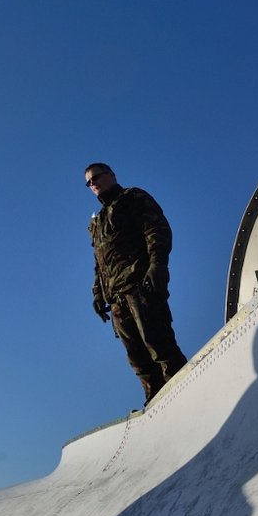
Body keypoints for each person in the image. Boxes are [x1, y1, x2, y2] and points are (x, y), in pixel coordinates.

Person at [85, 163, 188, 405]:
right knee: (138, 359)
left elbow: (156, 229)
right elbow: (99, 261)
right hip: (117, 299)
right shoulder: (97, 222)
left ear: (111, 175)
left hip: (141, 287)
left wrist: (157, 265)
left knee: (159, 344)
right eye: (88, 183)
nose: (93, 184)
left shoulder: (132, 197)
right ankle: (156, 404)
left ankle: (185, 394)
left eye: (96, 178)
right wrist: (98, 294)